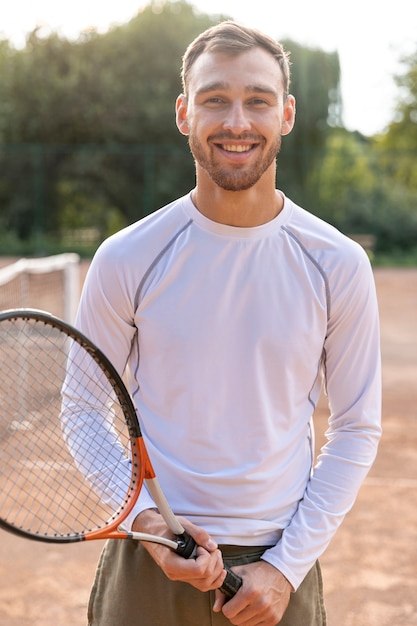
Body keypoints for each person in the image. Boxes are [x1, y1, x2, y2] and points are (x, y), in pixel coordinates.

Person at [73, 21, 381, 626]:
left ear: (286, 114)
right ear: (185, 113)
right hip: (149, 564)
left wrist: (286, 567)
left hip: (277, 573)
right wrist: (146, 521)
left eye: (258, 101)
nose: (237, 121)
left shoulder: (337, 264)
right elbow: (82, 407)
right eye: (215, 99)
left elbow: (356, 428)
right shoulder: (128, 257)